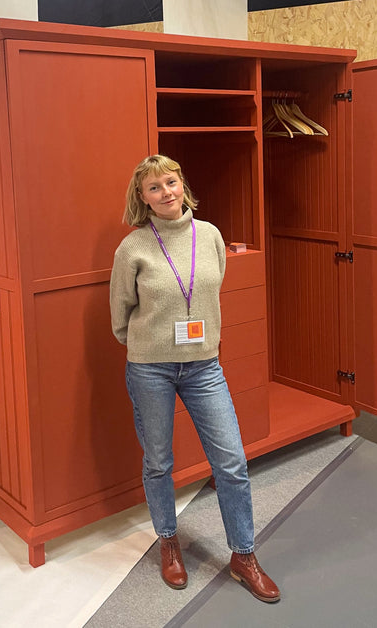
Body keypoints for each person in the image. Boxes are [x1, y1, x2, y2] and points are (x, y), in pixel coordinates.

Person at [109, 154, 280, 603]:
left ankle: (243, 555)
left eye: (171, 182)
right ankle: (168, 541)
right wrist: (150, 345)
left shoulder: (210, 236)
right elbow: (120, 315)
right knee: (158, 461)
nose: (166, 192)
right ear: (142, 198)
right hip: (151, 368)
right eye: (154, 187)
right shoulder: (132, 248)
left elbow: (211, 287)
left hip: (204, 366)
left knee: (231, 462)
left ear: (182, 184)